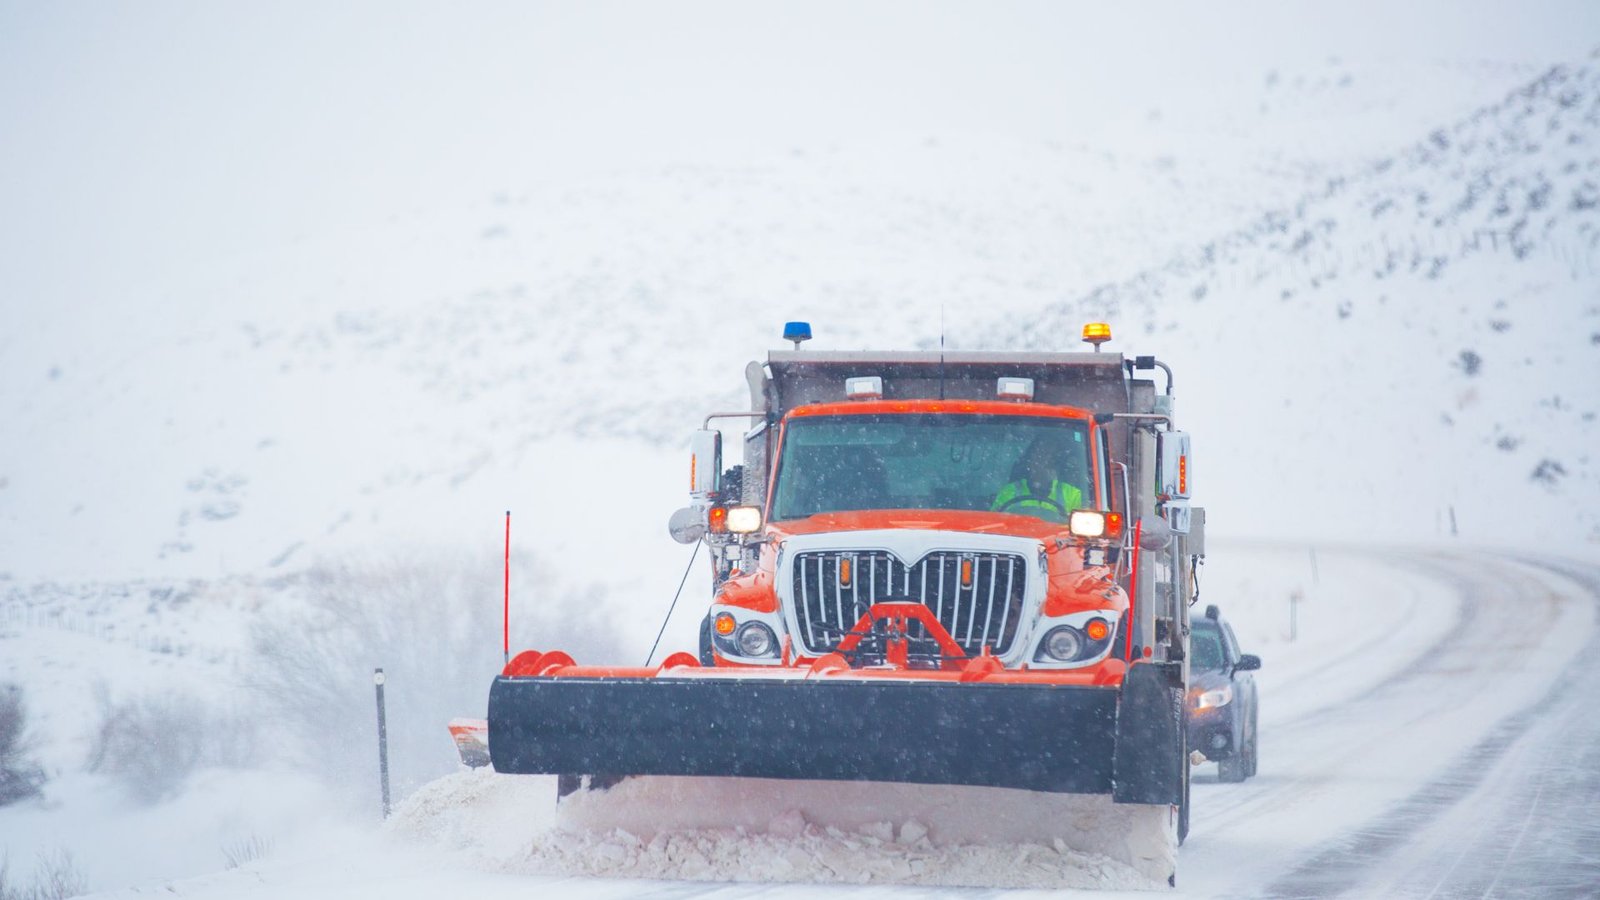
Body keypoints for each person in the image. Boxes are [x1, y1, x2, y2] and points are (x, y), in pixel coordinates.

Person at [991, 440, 1083, 521]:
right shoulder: (1008, 492)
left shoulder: (1073, 495)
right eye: (1039, 457)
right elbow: (993, 523)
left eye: (1050, 459)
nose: (1043, 463)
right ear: (1029, 462)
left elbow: (1082, 533)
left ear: (1056, 465)